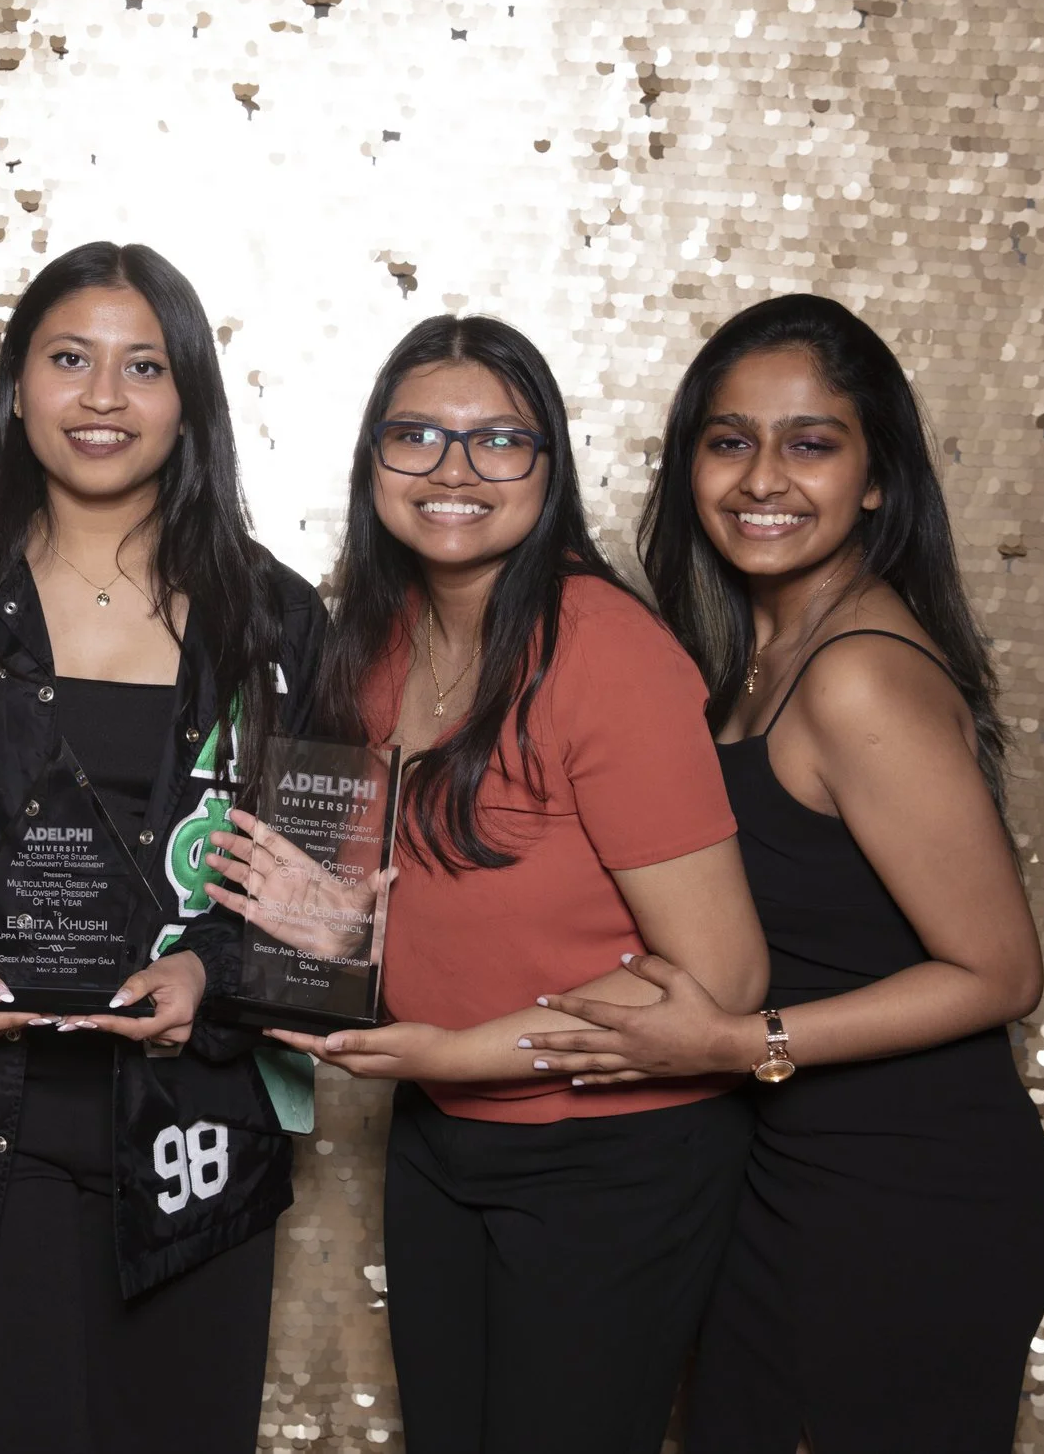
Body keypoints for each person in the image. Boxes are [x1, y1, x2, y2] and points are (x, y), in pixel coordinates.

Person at [516, 293, 1044, 1452]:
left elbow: (1001, 971)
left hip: (908, 1194)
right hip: (782, 1174)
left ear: (875, 478)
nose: (763, 477)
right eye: (729, 440)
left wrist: (727, 1043)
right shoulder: (744, 662)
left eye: (810, 442)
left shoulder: (856, 674)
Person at [0, 241, 320, 1454]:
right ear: (15, 386)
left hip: (198, 1127)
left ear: (188, 393)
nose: (103, 396)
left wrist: (215, 968)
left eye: (143, 365)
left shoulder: (274, 616)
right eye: (69, 360)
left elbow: (324, 870)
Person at [229, 315, 769, 1454]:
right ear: (372, 459)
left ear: (549, 463)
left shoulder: (604, 650)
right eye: (415, 435)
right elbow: (434, 915)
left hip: (614, 1158)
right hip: (443, 1136)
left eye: (497, 440)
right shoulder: (376, 644)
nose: (453, 470)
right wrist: (335, 946)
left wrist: (455, 1051)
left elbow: (719, 978)